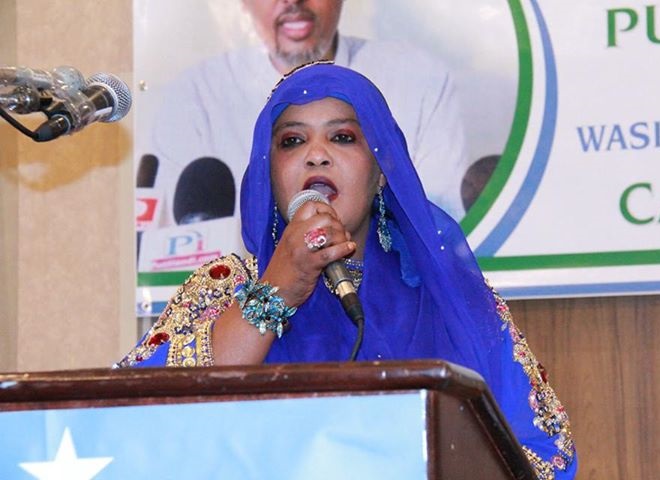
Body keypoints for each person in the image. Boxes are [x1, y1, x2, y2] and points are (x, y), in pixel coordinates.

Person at [120, 62, 576, 479]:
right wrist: (275, 292)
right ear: (269, 172)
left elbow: (546, 457)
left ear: (381, 171)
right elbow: (133, 421)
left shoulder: (451, 300)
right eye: (292, 141)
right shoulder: (226, 287)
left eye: (342, 137)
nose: (316, 155)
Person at [146, 0, 468, 234]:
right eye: (291, 141)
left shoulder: (418, 78)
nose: (293, 1)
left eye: (342, 137)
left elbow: (441, 225)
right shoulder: (195, 96)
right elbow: (172, 243)